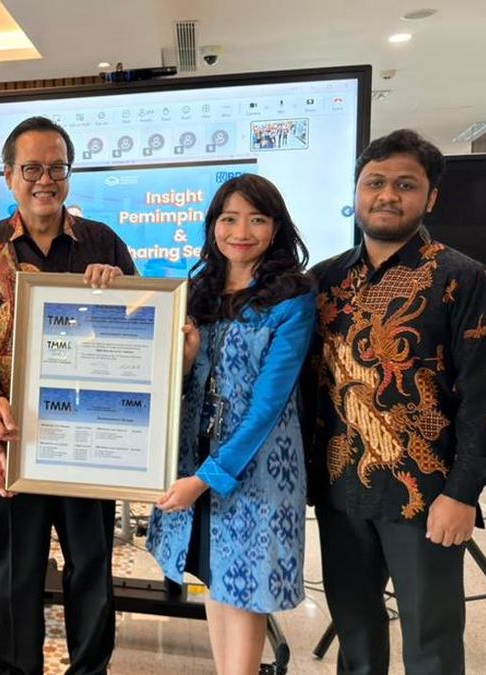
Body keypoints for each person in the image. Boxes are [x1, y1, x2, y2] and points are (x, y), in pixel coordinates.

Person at [307, 129, 486, 674]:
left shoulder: (464, 279)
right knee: (355, 631)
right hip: (341, 488)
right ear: (356, 192)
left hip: (426, 493)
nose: (387, 195)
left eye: (405, 184)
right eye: (374, 182)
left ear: (431, 197)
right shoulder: (324, 280)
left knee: (431, 639)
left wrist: (463, 494)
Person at [0, 115, 136, 675]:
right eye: (31, 168)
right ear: (9, 175)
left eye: (57, 168)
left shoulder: (103, 242)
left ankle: (90, 670)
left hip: (89, 439)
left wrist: (121, 294)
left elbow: (139, 332)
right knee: (17, 570)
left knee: (91, 565)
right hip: (16, 440)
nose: (45, 180)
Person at [145, 173, 315, 675]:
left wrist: (205, 480)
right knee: (217, 585)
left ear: (276, 227)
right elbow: (180, 383)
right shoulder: (198, 290)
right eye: (229, 219)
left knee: (244, 593)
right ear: (213, 225)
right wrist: (186, 359)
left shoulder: (292, 297)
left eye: (257, 219)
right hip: (193, 457)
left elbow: (268, 408)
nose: (241, 232)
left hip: (254, 470)